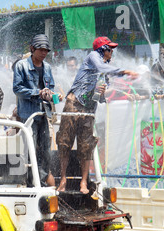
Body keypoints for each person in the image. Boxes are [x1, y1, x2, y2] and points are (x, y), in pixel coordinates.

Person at [56, 36, 138, 194]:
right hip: (74, 103)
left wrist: (100, 94)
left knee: (86, 145)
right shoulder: (93, 57)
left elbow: (98, 97)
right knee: (65, 141)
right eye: (109, 49)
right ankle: (63, 179)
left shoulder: (105, 69)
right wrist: (126, 71)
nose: (112, 52)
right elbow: (102, 68)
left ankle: (84, 182)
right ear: (102, 49)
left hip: (88, 109)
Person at [13, 34, 61, 187]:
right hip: (28, 115)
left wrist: (52, 95)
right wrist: (37, 92)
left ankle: (41, 180)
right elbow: (17, 89)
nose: (44, 53)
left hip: (44, 114)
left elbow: (51, 86)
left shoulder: (47, 67)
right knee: (30, 148)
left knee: (46, 149)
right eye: (41, 50)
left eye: (46, 50)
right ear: (32, 49)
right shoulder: (21, 66)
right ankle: (29, 181)